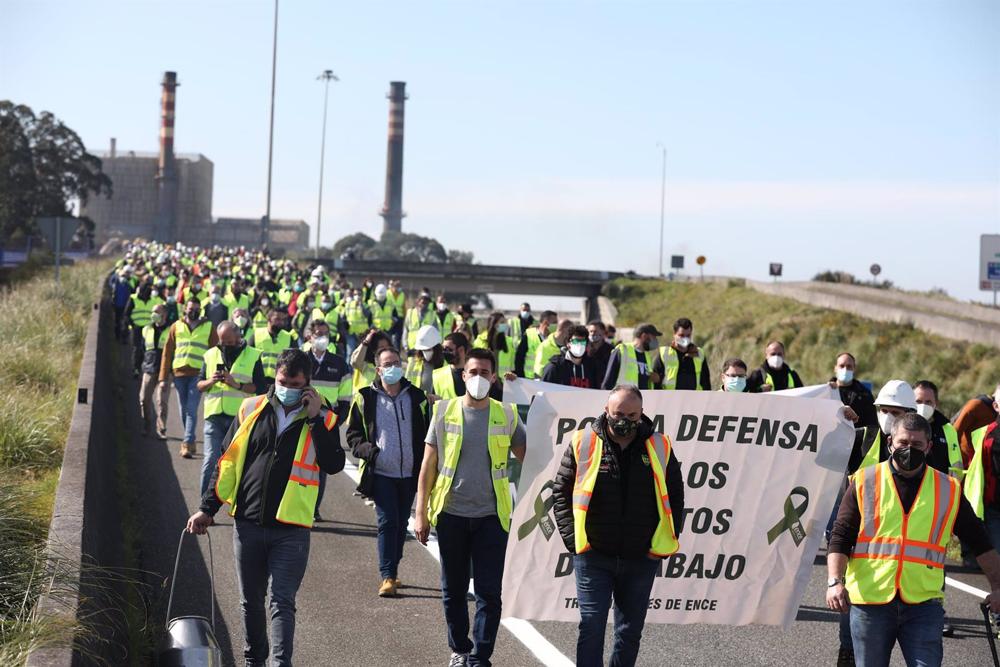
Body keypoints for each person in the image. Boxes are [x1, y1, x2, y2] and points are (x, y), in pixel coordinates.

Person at [187, 349, 344, 667]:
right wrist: (207, 508)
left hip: (292, 529)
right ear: (276, 377)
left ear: (308, 383)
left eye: (295, 383)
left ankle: (279, 663)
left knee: (282, 602)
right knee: (250, 602)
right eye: (282, 380)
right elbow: (227, 464)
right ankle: (254, 660)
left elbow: (333, 463)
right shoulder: (251, 409)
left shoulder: (323, 417)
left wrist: (314, 419)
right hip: (248, 523)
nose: (287, 387)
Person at [826, 413, 1000, 667]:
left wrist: (997, 586)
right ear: (890, 443)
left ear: (928, 447)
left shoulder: (948, 489)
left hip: (923, 604)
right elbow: (841, 536)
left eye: (917, 445)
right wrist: (834, 581)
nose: (909, 449)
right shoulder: (864, 481)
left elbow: (979, 541)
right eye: (903, 443)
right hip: (870, 602)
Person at [552, 385, 684, 667]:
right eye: (619, 413)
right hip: (593, 556)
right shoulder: (583, 442)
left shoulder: (660, 446)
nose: (625, 420)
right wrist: (574, 542)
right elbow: (560, 493)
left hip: (641, 557)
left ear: (642, 414)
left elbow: (675, 497)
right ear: (606, 412)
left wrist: (659, 547)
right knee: (591, 626)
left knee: (629, 631)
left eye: (632, 415)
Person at [414, 348, 526, 667]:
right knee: (453, 590)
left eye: (484, 373)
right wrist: (420, 513)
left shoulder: (507, 414)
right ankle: (460, 648)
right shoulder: (443, 411)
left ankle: (480, 657)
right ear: (463, 375)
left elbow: (529, 454)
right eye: (472, 372)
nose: (478, 378)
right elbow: (428, 466)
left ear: (494, 377)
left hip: (492, 518)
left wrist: (529, 389)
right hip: (451, 515)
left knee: (489, 593)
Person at [347, 347, 430, 597]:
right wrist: (371, 452)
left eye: (396, 362)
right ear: (378, 368)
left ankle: (393, 567)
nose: (393, 367)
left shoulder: (417, 397)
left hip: (409, 474)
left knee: (400, 522)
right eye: (387, 363)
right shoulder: (364, 397)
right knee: (387, 522)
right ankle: (388, 575)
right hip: (381, 472)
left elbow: (428, 433)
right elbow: (353, 435)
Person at [196, 321, 266, 497]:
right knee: (210, 460)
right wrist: (211, 381)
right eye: (222, 342)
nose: (225, 346)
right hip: (214, 416)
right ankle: (204, 507)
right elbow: (199, 385)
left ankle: (237, 504)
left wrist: (236, 384)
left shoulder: (254, 355)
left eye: (229, 342)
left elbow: (261, 388)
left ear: (239, 336)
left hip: (240, 419)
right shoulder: (210, 354)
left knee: (239, 464)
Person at [159, 297, 218, 458]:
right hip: (179, 374)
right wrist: (163, 378)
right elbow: (167, 352)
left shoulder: (208, 327)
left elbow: (216, 351)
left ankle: (187, 442)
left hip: (198, 374)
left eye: (197, 309)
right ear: (185, 309)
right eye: (191, 309)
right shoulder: (176, 326)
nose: (194, 312)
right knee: (183, 409)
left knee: (191, 409)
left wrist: (213, 376)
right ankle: (190, 441)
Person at [431, 333, 503, 402]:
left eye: (448, 349)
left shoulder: (480, 373)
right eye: (443, 349)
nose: (444, 352)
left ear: (461, 350)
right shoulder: (437, 375)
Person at [913, 380, 963, 479]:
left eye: (928, 402)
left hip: (938, 490)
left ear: (936, 403)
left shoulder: (947, 429)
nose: (923, 406)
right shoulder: (901, 426)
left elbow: (956, 465)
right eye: (918, 401)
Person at [651, 317, 711, 391]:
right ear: (674, 334)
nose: (685, 338)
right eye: (681, 335)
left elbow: (706, 381)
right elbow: (656, 381)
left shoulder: (699, 354)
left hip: (694, 399)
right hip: (669, 399)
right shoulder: (664, 353)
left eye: (688, 335)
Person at [139, 303, 170, 438]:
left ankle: (161, 429)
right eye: (153, 312)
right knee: (144, 399)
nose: (154, 314)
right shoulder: (146, 329)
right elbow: (142, 349)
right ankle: (146, 425)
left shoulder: (171, 330)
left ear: (164, 314)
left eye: (157, 312)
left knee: (162, 402)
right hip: (149, 369)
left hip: (165, 371)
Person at [601, 323, 662, 390]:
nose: (655, 340)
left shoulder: (647, 356)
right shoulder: (622, 350)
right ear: (644, 336)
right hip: (624, 397)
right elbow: (609, 380)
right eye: (653, 337)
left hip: (642, 398)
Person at [248, 308, 298, 381]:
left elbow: (294, 361)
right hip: (257, 380)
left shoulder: (289, 337)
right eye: (277, 319)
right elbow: (248, 358)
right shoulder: (256, 335)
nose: (281, 322)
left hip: (279, 381)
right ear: (269, 318)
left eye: (283, 319)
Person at [125, 282, 163, 378]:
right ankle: (135, 369)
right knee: (137, 349)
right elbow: (126, 314)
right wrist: (131, 325)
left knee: (147, 349)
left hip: (149, 329)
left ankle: (146, 367)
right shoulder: (133, 299)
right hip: (137, 328)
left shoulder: (153, 300)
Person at [829, 353, 877, 428]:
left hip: (856, 438)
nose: (845, 369)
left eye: (849, 366)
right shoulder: (826, 391)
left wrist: (855, 418)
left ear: (854, 368)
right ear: (835, 368)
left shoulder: (864, 394)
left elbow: (872, 425)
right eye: (841, 366)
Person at [474, 312, 517, 380]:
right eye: (502, 322)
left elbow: (512, 365)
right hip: (484, 380)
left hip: (503, 382)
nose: (505, 324)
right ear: (494, 324)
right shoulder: (480, 341)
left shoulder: (508, 341)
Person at [514, 310, 556, 379]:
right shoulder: (529, 334)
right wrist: (520, 377)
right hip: (529, 379)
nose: (556, 325)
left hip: (547, 379)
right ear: (546, 322)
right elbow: (519, 357)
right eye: (554, 322)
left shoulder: (553, 338)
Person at [350, 329, 393, 394]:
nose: (385, 350)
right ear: (374, 350)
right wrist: (366, 342)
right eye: (382, 347)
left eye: (387, 347)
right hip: (362, 402)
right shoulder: (365, 365)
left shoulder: (391, 366)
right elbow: (354, 361)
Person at [405, 325, 444, 394]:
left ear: (436, 348)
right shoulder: (413, 362)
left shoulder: (445, 364)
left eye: (428, 349)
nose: (426, 353)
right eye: (423, 350)